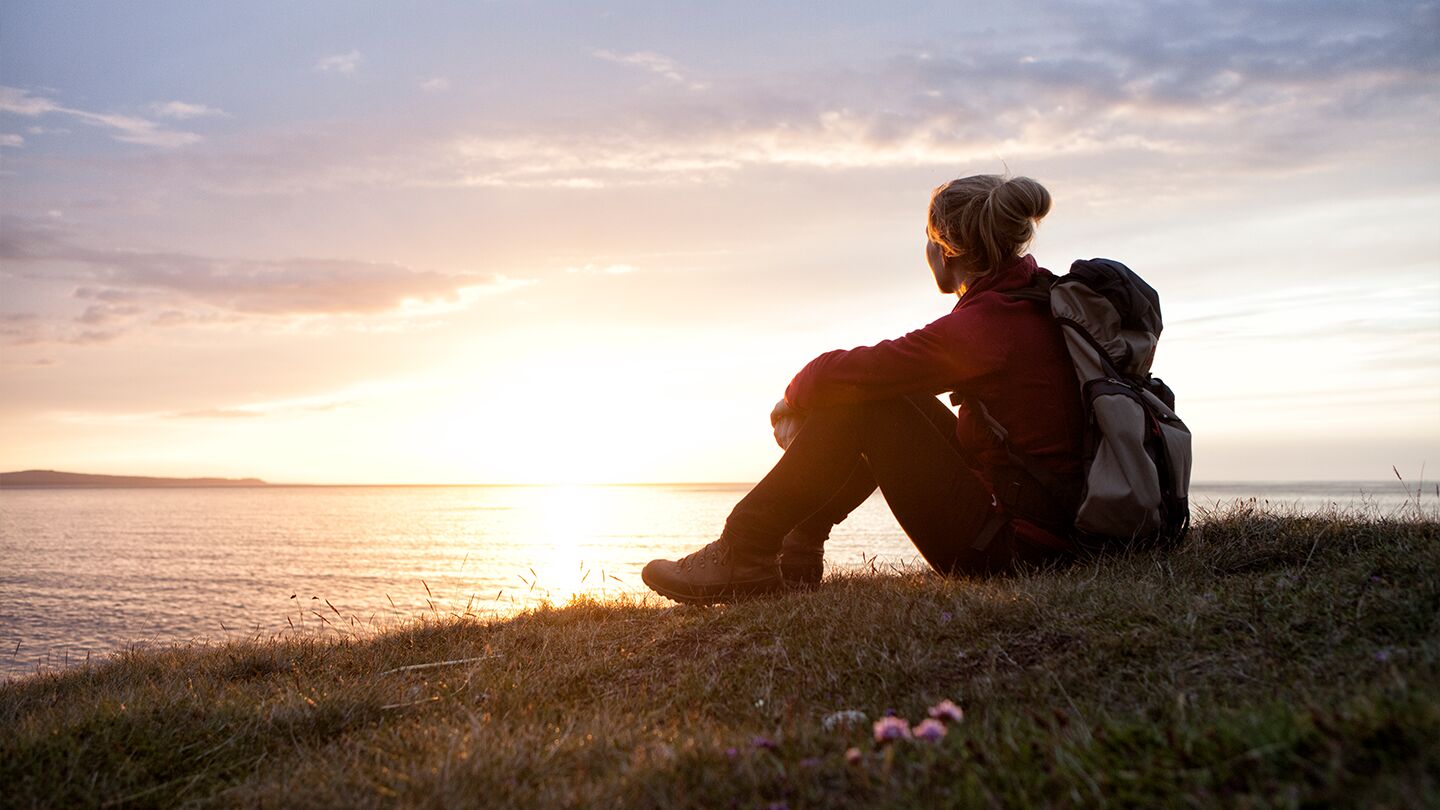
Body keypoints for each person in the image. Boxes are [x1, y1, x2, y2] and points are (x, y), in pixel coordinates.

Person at [641, 174, 1086, 604]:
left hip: (1017, 554)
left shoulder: (985, 328)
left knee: (866, 403)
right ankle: (797, 549)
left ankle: (745, 548)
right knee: (886, 396)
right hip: (1056, 531)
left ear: (945, 249)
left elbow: (850, 373)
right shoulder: (1034, 299)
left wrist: (791, 401)